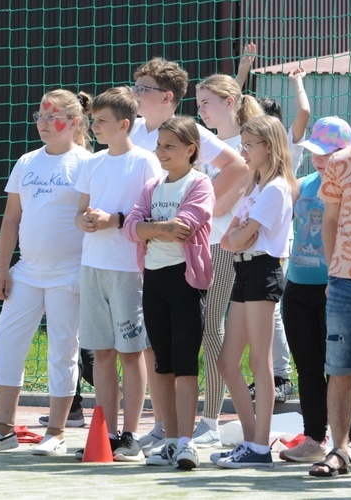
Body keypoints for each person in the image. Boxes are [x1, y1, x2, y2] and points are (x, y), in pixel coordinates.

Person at [129, 57, 249, 455]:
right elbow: (138, 207)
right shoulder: (134, 134)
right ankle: (165, 427)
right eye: (135, 86)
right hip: (150, 259)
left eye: (142, 88)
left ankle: (209, 422)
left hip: (202, 250)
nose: (134, 93)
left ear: (165, 97)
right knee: (156, 346)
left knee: (207, 332)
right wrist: (144, 228)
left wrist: (209, 212)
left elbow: (237, 166)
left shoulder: (187, 131)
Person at [0, 89, 93, 456]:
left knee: (62, 350)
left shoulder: (87, 163)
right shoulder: (26, 162)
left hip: (69, 274)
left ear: (73, 123)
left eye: (52, 117)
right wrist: (3, 269)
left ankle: (56, 432)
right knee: (7, 343)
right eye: (39, 117)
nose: (44, 124)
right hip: (27, 272)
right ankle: (4, 429)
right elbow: (11, 220)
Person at [73, 87, 162, 461]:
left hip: (129, 269)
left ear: (124, 124)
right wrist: (88, 221)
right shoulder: (92, 162)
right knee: (102, 353)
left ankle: (130, 435)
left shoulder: (145, 162)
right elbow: (79, 213)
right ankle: (105, 433)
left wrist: (114, 220)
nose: (94, 127)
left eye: (101, 122)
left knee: (131, 352)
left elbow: (154, 216)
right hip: (93, 268)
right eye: (94, 121)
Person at [124, 116, 214, 469]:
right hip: (154, 282)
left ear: (190, 150)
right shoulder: (152, 185)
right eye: (159, 145)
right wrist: (154, 228)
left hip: (185, 282)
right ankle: (172, 439)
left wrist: (150, 228)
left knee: (185, 364)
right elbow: (131, 228)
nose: (160, 152)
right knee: (161, 364)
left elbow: (185, 227)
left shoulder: (199, 183)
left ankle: (188, 442)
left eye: (169, 146)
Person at [215, 115, 298, 469]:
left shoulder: (277, 187)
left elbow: (243, 237)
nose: (244, 151)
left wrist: (239, 235)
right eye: (243, 145)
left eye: (250, 145)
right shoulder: (254, 185)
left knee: (258, 363)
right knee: (226, 363)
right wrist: (238, 234)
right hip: (243, 270)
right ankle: (252, 441)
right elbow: (228, 238)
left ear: (269, 145)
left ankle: (260, 447)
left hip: (263, 270)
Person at [281, 117, 351, 463]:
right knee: (308, 367)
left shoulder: (348, 179)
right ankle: (314, 437)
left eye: (327, 154)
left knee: (341, 368)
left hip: (335, 287)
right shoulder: (303, 184)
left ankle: (348, 440)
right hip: (299, 288)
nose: (319, 160)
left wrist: (333, 278)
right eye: (315, 153)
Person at [238, 43, 311, 402]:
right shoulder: (253, 172)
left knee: (275, 310)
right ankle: (275, 376)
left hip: (276, 237)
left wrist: (298, 82)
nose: (246, 145)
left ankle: (280, 375)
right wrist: (245, 64)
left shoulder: (288, 153)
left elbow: (305, 112)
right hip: (254, 238)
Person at [192, 73, 263, 447]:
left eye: (206, 102)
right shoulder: (209, 145)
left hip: (225, 246)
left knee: (212, 326)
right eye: (198, 101)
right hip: (197, 244)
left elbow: (234, 203)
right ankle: (196, 417)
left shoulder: (248, 145)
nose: (199, 109)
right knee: (196, 328)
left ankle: (212, 420)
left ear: (229, 102)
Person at [308, 135, 351, 477]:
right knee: (339, 369)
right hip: (344, 281)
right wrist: (332, 273)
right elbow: (329, 220)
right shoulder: (342, 161)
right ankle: (339, 450)